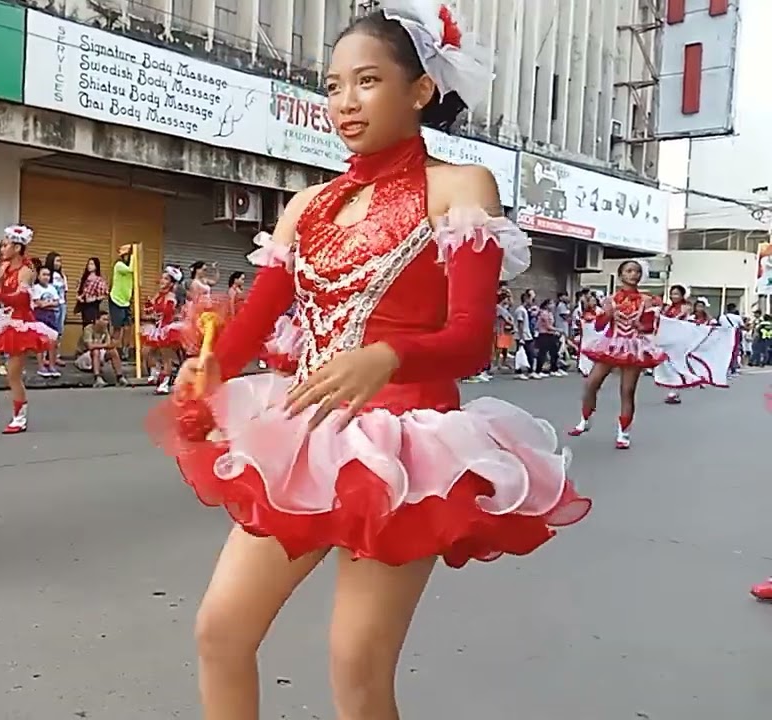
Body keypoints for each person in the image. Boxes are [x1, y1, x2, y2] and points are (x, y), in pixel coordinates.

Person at [148, 5, 590, 716]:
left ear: (419, 91)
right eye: (333, 85)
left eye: (367, 81)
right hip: (302, 437)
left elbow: (472, 338)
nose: (345, 102)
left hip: (406, 450)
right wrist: (211, 365)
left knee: (356, 668)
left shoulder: (459, 187)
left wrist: (387, 357)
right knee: (220, 630)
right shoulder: (309, 206)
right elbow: (255, 322)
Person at [568, 260, 666, 449]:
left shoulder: (647, 300)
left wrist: (642, 326)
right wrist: (608, 314)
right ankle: (585, 418)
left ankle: (624, 433)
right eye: (629, 271)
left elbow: (650, 326)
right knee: (591, 383)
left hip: (634, 347)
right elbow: (598, 325)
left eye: (637, 271)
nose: (633, 274)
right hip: (611, 344)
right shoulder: (610, 300)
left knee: (627, 391)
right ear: (621, 275)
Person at [0, 225, 57, 434]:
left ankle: (20, 417)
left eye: (5, 245)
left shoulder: (27, 271)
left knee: (12, 374)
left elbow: (21, 298)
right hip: (3, 320)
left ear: (18, 248)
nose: (2, 249)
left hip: (21, 324)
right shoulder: (4, 267)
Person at [139, 266, 185, 394]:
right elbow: (150, 310)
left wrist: (163, 308)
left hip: (167, 329)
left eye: (166, 279)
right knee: (150, 352)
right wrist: (148, 305)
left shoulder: (170, 296)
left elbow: (168, 312)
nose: (162, 280)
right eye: (162, 278)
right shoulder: (159, 295)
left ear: (171, 283)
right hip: (157, 328)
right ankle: (156, 373)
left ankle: (164, 383)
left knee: (166, 357)